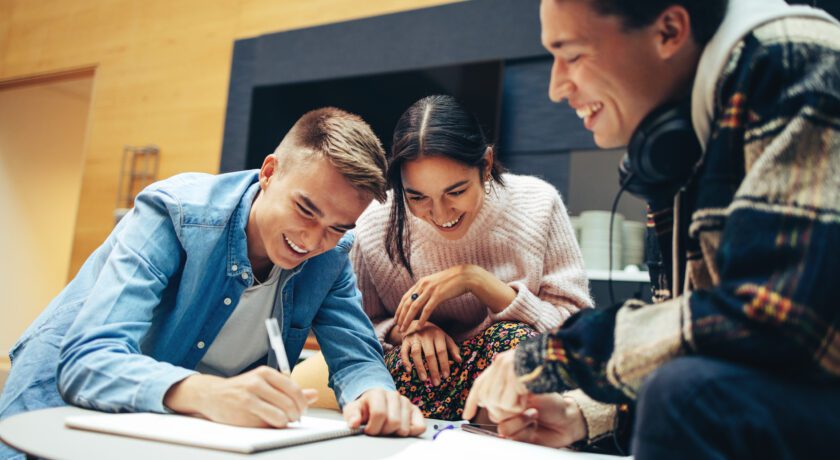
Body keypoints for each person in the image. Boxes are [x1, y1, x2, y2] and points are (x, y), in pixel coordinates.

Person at [464, 0, 840, 458]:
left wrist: (553, 356)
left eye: (573, 55)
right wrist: (586, 415)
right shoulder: (676, 140)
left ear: (669, 31)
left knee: (683, 393)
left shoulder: (796, 61)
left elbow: (776, 319)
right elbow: (692, 342)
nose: (556, 88)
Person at [0, 108, 425, 460]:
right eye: (305, 209)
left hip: (168, 426)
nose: (313, 241)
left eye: (337, 227)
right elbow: (88, 361)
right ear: (270, 172)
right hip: (53, 408)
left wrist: (374, 394)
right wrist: (209, 393)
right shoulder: (176, 214)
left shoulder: (330, 257)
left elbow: (356, 359)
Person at [351, 95, 592, 420]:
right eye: (417, 197)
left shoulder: (537, 204)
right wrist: (409, 330)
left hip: (513, 378)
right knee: (397, 370)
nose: (440, 214)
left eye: (456, 192)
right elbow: (356, 328)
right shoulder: (375, 222)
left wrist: (476, 281)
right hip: (425, 378)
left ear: (486, 164)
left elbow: (576, 335)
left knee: (516, 347)